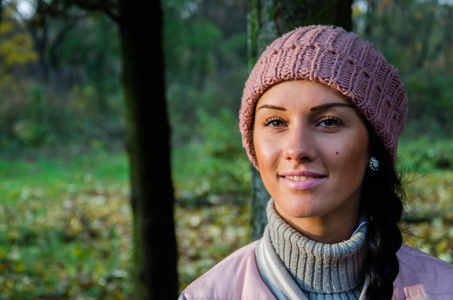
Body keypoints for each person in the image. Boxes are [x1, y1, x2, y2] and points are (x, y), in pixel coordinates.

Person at [179, 25, 453, 300]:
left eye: (329, 122)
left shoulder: (443, 289)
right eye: (275, 122)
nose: (297, 149)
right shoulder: (208, 295)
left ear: (374, 144)